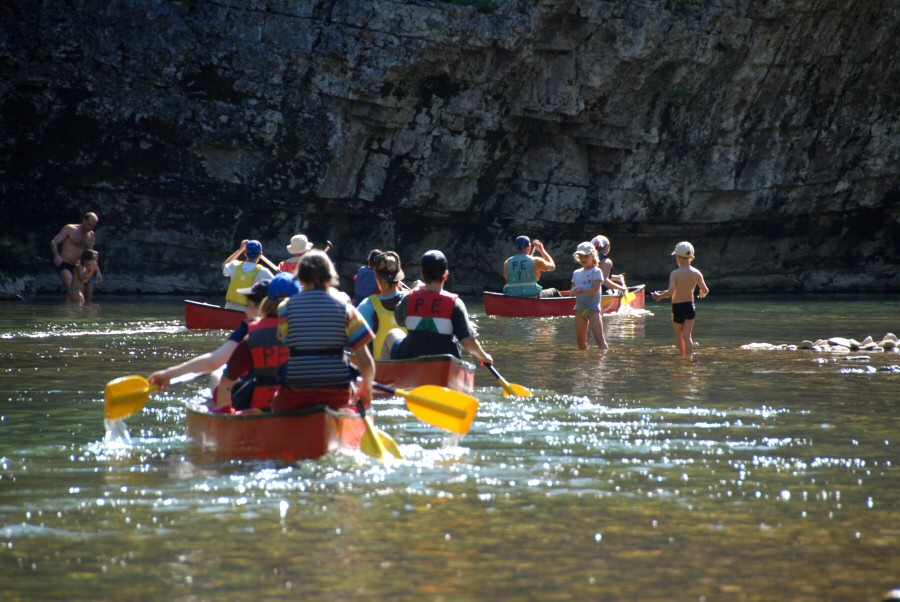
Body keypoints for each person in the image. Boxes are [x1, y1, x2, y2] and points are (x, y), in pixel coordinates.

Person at [273, 250, 375, 412]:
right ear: (329, 276)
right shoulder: (346, 309)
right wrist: (366, 389)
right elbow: (366, 361)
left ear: (301, 277)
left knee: (275, 404)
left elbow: (284, 345)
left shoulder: (285, 308)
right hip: (337, 393)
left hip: (297, 391)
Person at [149, 280, 269, 393]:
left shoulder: (247, 328)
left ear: (263, 307)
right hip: (278, 398)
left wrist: (168, 373)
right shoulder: (280, 327)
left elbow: (213, 362)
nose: (246, 311)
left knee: (217, 374)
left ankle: (222, 406)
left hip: (256, 396)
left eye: (249, 306)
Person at [384, 250, 493, 365]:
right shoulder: (455, 303)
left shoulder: (409, 299)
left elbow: (399, 320)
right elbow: (467, 341)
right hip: (444, 364)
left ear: (422, 274)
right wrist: (483, 356)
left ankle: (384, 375)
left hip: (411, 359)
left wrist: (415, 290)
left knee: (392, 333)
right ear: (446, 275)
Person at [216, 273, 301, 411]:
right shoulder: (313, 333)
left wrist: (226, 414)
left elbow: (226, 382)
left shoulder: (253, 335)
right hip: (301, 409)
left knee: (218, 376)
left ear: (267, 301)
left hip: (261, 410)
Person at [651, 241, 710, 359]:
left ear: (677, 257)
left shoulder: (674, 274)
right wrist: (702, 293)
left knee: (679, 335)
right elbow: (705, 290)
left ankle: (682, 358)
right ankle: (689, 358)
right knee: (687, 335)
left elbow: (670, 292)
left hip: (677, 307)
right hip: (690, 306)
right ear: (691, 258)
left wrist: (659, 296)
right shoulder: (696, 273)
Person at [571, 241, 628, 350]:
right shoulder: (576, 273)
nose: (583, 259)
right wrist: (573, 292)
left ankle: (602, 360)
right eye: (580, 256)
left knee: (599, 340)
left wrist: (582, 291)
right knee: (580, 341)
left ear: (593, 256)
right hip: (579, 309)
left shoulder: (596, 271)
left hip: (593, 310)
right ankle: (583, 360)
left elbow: (595, 290)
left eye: (586, 256)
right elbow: (572, 291)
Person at [356, 251, 407, 359]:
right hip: (408, 366)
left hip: (380, 368)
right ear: (398, 277)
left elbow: (357, 344)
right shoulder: (411, 299)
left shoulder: (367, 305)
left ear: (377, 277)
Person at [51, 212, 102, 302]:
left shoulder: (91, 235)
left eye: (93, 226)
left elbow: (91, 256)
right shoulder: (70, 229)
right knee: (74, 291)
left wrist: (97, 271)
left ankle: (68, 307)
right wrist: (56, 255)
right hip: (66, 264)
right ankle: (72, 307)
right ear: (83, 220)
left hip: (80, 267)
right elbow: (54, 242)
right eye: (89, 224)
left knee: (88, 297)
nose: (90, 227)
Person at [222, 239, 274, 311]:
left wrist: (240, 249)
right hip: (248, 312)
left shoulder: (234, 265)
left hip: (229, 309)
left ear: (245, 253)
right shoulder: (263, 272)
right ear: (260, 254)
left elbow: (224, 266)